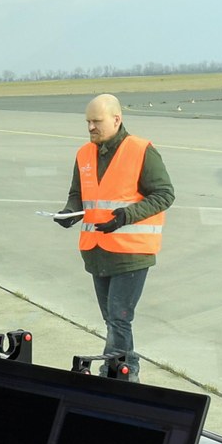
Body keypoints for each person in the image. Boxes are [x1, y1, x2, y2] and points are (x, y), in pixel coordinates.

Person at [57, 93, 175, 379]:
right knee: (111, 319)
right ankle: (119, 369)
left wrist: (126, 216)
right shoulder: (84, 154)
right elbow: (78, 195)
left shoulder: (141, 150)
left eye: (96, 121)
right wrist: (69, 213)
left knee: (119, 319)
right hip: (97, 250)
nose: (90, 128)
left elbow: (164, 194)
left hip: (131, 252)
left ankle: (122, 373)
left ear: (116, 119)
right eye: (87, 122)